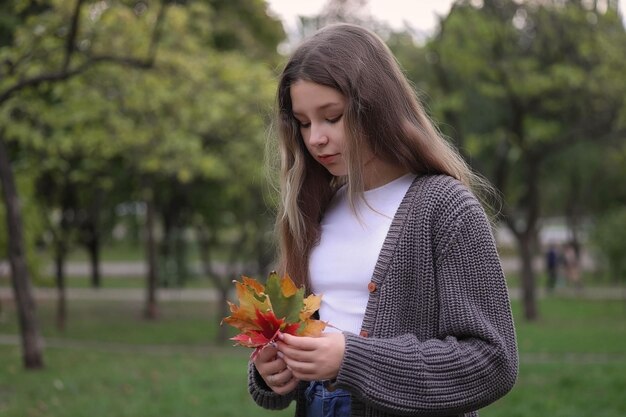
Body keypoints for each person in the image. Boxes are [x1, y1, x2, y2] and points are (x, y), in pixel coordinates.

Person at [248, 23, 518, 417]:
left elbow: (493, 362)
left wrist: (351, 360)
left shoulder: (444, 207)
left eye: (332, 116)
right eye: (304, 123)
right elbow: (299, 336)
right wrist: (273, 371)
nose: (315, 138)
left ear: (375, 107)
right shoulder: (316, 208)